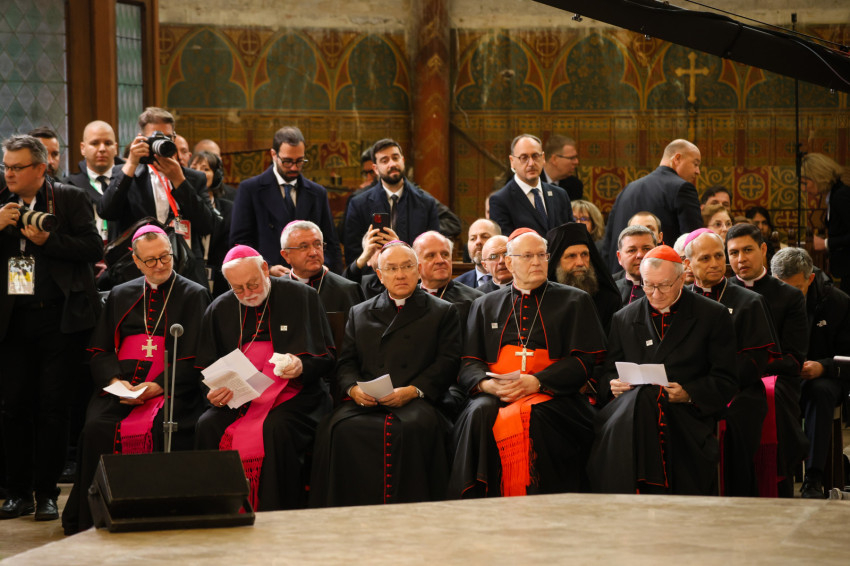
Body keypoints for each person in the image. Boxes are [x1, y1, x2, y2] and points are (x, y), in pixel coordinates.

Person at [61, 225, 210, 534]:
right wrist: (116, 382)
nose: (160, 265)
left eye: (165, 257)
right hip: (122, 387)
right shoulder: (121, 293)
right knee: (96, 428)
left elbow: (196, 355)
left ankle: (154, 512)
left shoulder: (194, 294)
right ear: (137, 261)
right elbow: (100, 350)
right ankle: (95, 516)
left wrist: (159, 385)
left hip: (171, 387)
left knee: (160, 428)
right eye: (151, 260)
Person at [448, 229, 606, 498]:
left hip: (554, 394)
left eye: (542, 255)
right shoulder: (484, 305)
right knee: (479, 412)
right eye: (528, 256)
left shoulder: (575, 300)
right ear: (509, 262)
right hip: (498, 391)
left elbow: (584, 361)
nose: (537, 262)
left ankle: (538, 499)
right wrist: (488, 386)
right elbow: (469, 362)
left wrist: (538, 382)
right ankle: (478, 499)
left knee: (535, 416)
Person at [310, 241, 461, 507]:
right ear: (380, 275)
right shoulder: (360, 312)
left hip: (418, 399)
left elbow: (447, 362)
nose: (400, 275)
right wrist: (353, 389)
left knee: (412, 429)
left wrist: (413, 391)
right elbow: (346, 363)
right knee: (336, 428)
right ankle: (345, 509)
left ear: (418, 270)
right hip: (369, 399)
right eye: (391, 268)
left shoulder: (443, 311)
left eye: (406, 267)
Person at [0, 135, 102, 521]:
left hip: (59, 320)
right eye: (6, 166)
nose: (9, 173)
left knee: (53, 409)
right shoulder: (0, 200)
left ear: (41, 168)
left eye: (17, 167)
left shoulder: (69, 198)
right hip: (12, 321)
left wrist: (49, 240)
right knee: (13, 408)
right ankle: (17, 492)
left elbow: (94, 248)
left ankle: (46, 494)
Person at [195, 245, 335, 511]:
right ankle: (219, 510)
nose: (248, 294)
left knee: (275, 428)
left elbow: (326, 359)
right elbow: (206, 368)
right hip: (241, 399)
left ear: (264, 269)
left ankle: (272, 511)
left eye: (253, 284)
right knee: (207, 424)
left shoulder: (302, 296)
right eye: (238, 289)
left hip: (297, 395)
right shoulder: (219, 308)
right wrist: (213, 394)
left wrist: (301, 366)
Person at [588, 245, 737, 495]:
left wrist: (688, 393)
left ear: (681, 278)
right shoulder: (624, 318)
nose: (655, 294)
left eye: (664, 285)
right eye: (648, 285)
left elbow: (726, 378)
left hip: (686, 415)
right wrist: (614, 385)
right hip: (631, 415)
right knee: (642, 401)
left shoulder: (712, 315)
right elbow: (606, 375)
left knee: (647, 403)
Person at [683, 229, 778, 496]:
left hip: (740, 390)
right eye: (705, 258)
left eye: (718, 256)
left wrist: (713, 384)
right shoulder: (682, 301)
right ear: (688, 264)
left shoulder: (749, 301)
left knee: (735, 419)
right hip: (692, 388)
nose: (715, 263)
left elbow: (754, 362)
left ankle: (738, 499)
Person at [726, 223, 809, 497]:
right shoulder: (721, 294)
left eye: (748, 250)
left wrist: (750, 367)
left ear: (763, 249)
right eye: (734, 253)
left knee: (765, 400)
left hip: (777, 380)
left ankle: (775, 486)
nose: (741, 259)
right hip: (730, 378)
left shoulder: (790, 296)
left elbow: (794, 359)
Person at [771, 247, 850, 498]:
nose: (789, 296)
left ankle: (814, 477)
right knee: (767, 392)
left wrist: (823, 366)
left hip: (824, 378)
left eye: (796, 289)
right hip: (781, 375)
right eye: (782, 288)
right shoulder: (765, 298)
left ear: (810, 279)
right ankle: (776, 474)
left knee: (820, 392)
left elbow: (847, 356)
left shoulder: (837, 302)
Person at [99, 107, 213, 266]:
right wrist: (131, 164)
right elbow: (107, 212)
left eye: (167, 137)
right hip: (138, 266)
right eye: (155, 138)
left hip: (184, 265)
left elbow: (207, 225)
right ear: (141, 140)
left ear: (174, 138)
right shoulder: (126, 174)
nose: (162, 142)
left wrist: (180, 181)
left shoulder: (193, 178)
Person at [230, 126, 342, 274]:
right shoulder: (250, 190)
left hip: (310, 279)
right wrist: (267, 268)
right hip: (269, 277)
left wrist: (324, 267)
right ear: (273, 155)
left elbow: (331, 244)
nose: (294, 168)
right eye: (287, 161)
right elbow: (240, 243)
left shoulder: (317, 193)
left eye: (300, 161)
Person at [601, 139, 702, 272]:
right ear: (677, 158)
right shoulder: (683, 188)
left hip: (621, 277)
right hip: (661, 275)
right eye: (695, 164)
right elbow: (693, 241)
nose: (698, 171)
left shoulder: (628, 189)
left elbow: (608, 244)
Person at [342, 139, 441, 267]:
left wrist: (400, 248)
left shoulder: (426, 203)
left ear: (403, 160)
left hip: (415, 273)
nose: (392, 164)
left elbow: (433, 249)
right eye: (385, 160)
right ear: (375, 169)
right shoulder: (358, 204)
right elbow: (352, 254)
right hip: (373, 275)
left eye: (395, 158)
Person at [489, 134, 574, 236]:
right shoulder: (500, 200)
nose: (531, 163)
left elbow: (572, 234)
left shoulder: (560, 195)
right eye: (524, 157)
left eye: (535, 156)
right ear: (512, 161)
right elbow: (506, 242)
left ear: (543, 158)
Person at [547, 222, 621, 333]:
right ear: (557, 261)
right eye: (571, 256)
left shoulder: (609, 299)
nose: (580, 263)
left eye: (584, 254)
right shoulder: (544, 300)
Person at [280, 220, 364, 316]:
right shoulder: (276, 290)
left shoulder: (347, 289)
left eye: (318, 244)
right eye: (304, 247)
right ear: (286, 255)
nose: (313, 253)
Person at [65, 120, 122, 242]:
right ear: (83, 148)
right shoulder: (69, 186)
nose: (102, 149)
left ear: (116, 148)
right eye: (95, 143)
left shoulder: (127, 181)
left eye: (108, 143)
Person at [802, 152, 850, 292]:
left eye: (805, 183)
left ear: (818, 177)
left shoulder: (841, 196)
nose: (804, 189)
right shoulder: (834, 194)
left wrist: (826, 243)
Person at [189, 150, 233, 297]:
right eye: (193, 168)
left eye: (205, 169)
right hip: (192, 275)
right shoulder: (181, 208)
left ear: (216, 175)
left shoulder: (229, 208)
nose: (198, 173)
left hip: (222, 277)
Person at [613, 225, 656, 306]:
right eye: (632, 250)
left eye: (646, 249)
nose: (640, 255)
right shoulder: (611, 292)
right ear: (619, 257)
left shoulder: (670, 290)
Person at [455, 218, 500, 288]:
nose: (478, 242)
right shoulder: (457, 286)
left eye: (485, 237)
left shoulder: (515, 279)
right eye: (473, 238)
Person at [540, 134, 583, 201]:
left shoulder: (575, 185)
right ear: (554, 159)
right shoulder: (532, 181)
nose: (576, 162)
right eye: (572, 158)